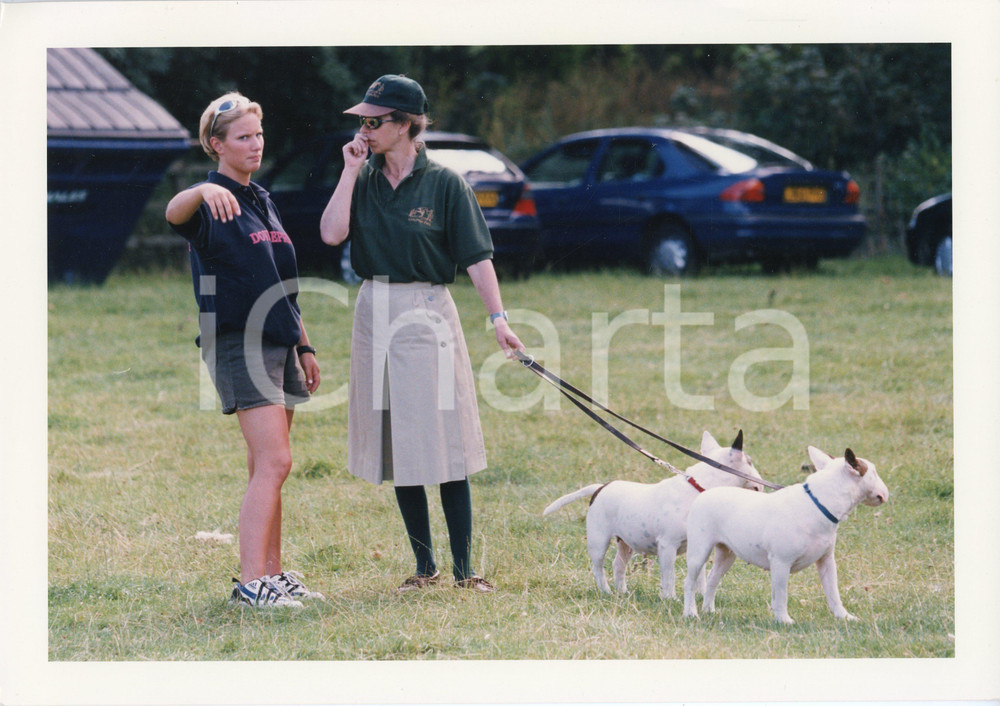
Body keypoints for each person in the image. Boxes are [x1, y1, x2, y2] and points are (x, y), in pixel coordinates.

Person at [320, 75, 523, 594]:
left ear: (407, 124)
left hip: (427, 305)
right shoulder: (361, 177)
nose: (365, 128)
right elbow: (331, 234)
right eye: (362, 120)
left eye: (375, 120)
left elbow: (477, 256)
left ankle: (464, 571)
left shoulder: (445, 183)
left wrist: (499, 320)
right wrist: (348, 171)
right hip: (374, 307)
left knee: (444, 438)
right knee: (398, 440)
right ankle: (424, 567)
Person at [166, 92, 323, 608]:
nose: (255, 145)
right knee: (274, 462)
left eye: (258, 135)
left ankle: (273, 577)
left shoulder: (262, 198)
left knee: (269, 465)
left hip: (281, 338)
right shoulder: (210, 201)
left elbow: (284, 280)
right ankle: (252, 584)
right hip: (239, 339)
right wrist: (200, 189)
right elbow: (173, 214)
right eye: (242, 137)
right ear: (217, 145)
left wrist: (304, 346)